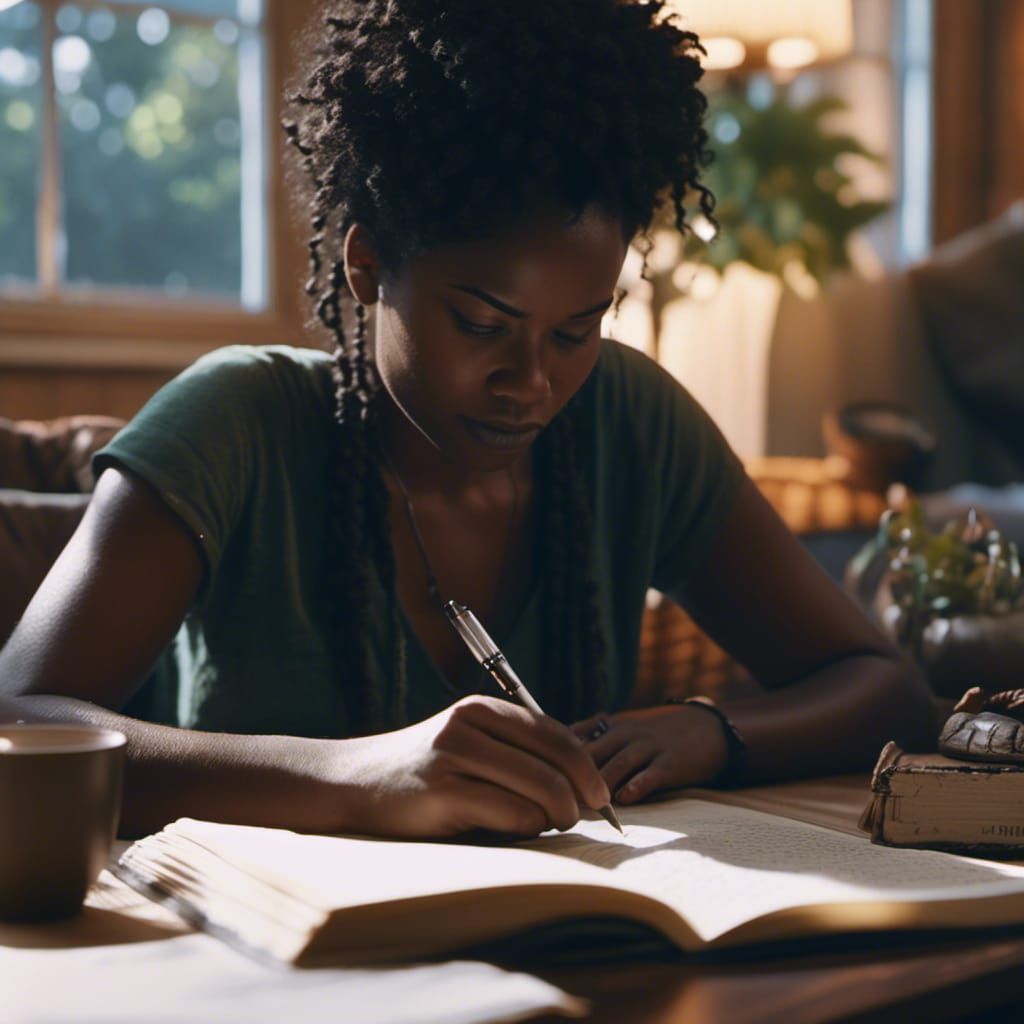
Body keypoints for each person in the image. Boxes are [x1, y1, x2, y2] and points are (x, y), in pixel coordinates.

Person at [0, 0, 934, 839]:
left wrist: (712, 733)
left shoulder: (629, 420)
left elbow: (884, 687)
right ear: (368, 266)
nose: (531, 381)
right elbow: (17, 718)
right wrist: (350, 777)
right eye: (482, 324)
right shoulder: (236, 420)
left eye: (577, 329)